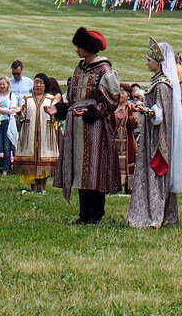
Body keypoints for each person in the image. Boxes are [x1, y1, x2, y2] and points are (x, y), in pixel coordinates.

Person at [55, 27, 123, 225]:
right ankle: (83, 214)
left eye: (80, 47)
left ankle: (95, 214)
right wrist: (60, 109)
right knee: (79, 169)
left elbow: (112, 100)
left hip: (94, 127)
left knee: (94, 169)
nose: (77, 50)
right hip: (76, 127)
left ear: (89, 48)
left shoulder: (104, 70)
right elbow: (72, 96)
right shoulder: (79, 68)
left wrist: (92, 112)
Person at [127, 39, 182, 228]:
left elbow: (160, 114)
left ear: (158, 62)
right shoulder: (158, 82)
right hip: (152, 134)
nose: (147, 63)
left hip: (158, 137)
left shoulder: (162, 85)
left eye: (149, 60)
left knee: (156, 172)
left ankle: (155, 214)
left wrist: (144, 110)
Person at [14, 73, 61, 194]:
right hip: (30, 133)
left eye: (41, 83)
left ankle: (43, 186)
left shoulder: (51, 99)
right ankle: (33, 187)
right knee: (31, 158)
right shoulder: (27, 98)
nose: (38, 85)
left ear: (45, 85)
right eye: (36, 82)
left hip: (46, 133)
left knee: (44, 158)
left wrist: (53, 114)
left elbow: (56, 116)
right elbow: (22, 114)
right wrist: (19, 112)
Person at [0, 76, 19, 175]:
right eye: (0, 84)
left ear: (8, 85)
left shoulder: (12, 96)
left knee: (7, 147)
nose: (2, 86)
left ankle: (6, 169)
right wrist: (3, 110)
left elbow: (12, 110)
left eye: (4, 84)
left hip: (8, 123)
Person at [112, 84, 138, 193]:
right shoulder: (112, 107)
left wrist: (132, 120)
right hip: (114, 139)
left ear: (128, 95)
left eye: (123, 92)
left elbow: (136, 124)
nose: (121, 95)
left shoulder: (131, 107)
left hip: (128, 140)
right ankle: (114, 186)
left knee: (129, 160)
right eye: (119, 92)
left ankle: (128, 187)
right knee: (114, 161)